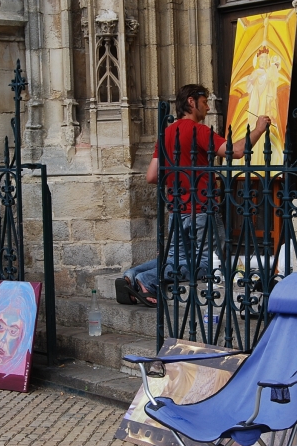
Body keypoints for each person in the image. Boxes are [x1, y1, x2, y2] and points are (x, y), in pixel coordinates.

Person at [115, 84, 270, 307]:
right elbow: (235, 152)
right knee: (208, 264)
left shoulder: (166, 134)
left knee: (174, 259)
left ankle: (131, 275)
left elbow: (151, 175)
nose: (208, 107)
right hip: (202, 209)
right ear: (191, 101)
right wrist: (258, 129)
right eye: (205, 102)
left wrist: (178, 175)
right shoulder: (198, 130)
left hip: (178, 210)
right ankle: (147, 280)